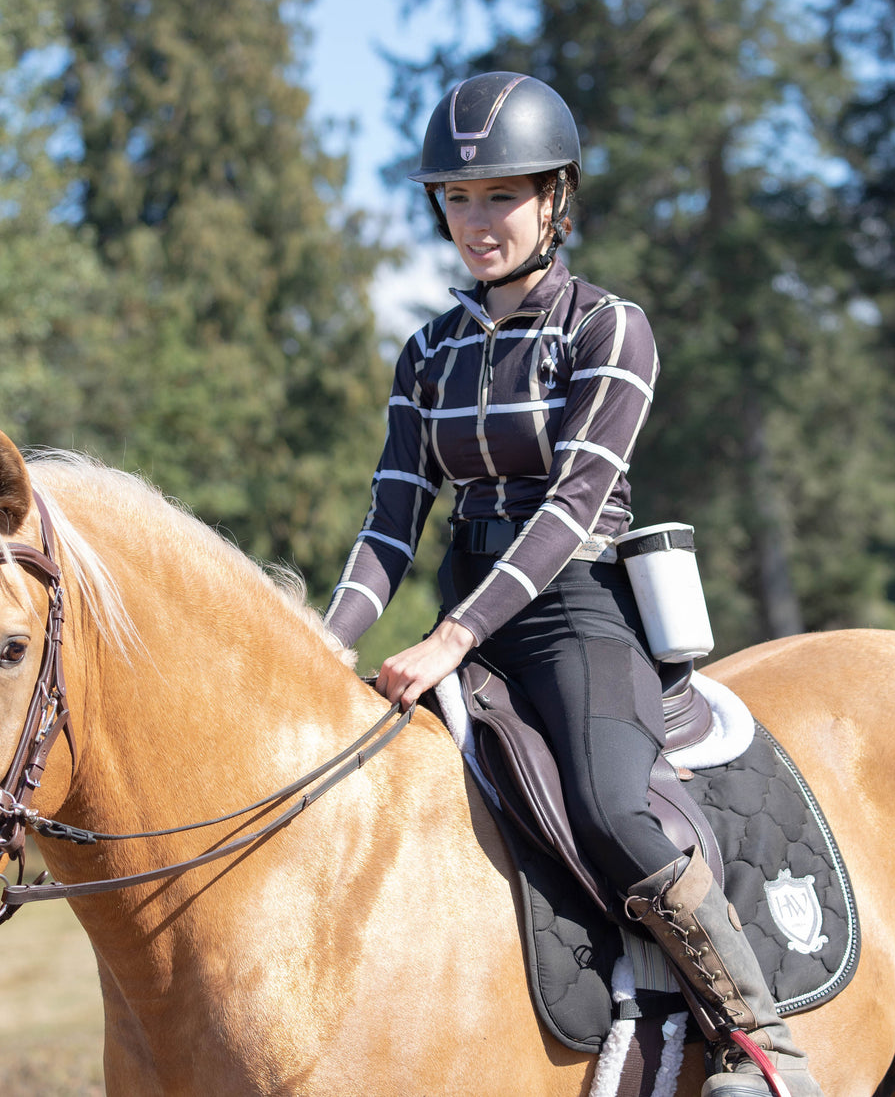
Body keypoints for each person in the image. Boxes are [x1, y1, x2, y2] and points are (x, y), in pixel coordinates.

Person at [324, 71, 823, 1097]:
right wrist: (321, 647)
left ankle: (754, 1038)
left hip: (574, 613)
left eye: (500, 195)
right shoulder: (427, 354)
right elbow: (389, 524)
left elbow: (566, 510)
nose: (475, 221)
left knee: (606, 803)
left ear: (557, 198)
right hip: (465, 609)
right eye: (456, 199)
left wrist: (452, 638)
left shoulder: (608, 329)